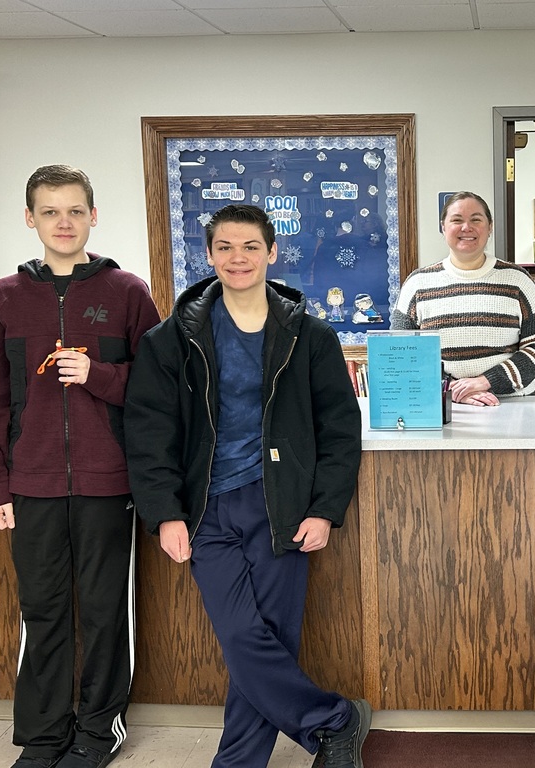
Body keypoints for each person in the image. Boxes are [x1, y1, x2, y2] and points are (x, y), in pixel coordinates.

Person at [123, 204, 369, 768]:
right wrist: (165, 514)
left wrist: (325, 510)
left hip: (280, 504)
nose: (239, 258)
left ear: (272, 252)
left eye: (251, 247)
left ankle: (236, 763)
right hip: (206, 507)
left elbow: (339, 429)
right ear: (208, 256)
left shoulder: (308, 334)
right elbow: (148, 432)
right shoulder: (171, 340)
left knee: (270, 640)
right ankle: (333, 720)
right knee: (241, 638)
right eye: (226, 248)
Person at [0, 164, 161, 768]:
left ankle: (99, 733)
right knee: (42, 610)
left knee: (106, 611)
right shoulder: (3, 298)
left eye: (75, 210)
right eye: (50, 211)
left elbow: (161, 388)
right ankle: (44, 736)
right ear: (31, 219)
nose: (64, 222)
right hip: (32, 484)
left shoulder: (126, 292)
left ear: (93, 216)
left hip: (110, 484)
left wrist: (98, 375)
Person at [390, 191, 535, 405]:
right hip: (440, 405)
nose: (466, 228)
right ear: (443, 227)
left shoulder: (519, 281)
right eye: (457, 220)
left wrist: (486, 382)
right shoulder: (417, 285)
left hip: (513, 404)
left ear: (490, 227)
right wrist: (453, 391)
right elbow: (400, 353)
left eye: (476, 219)